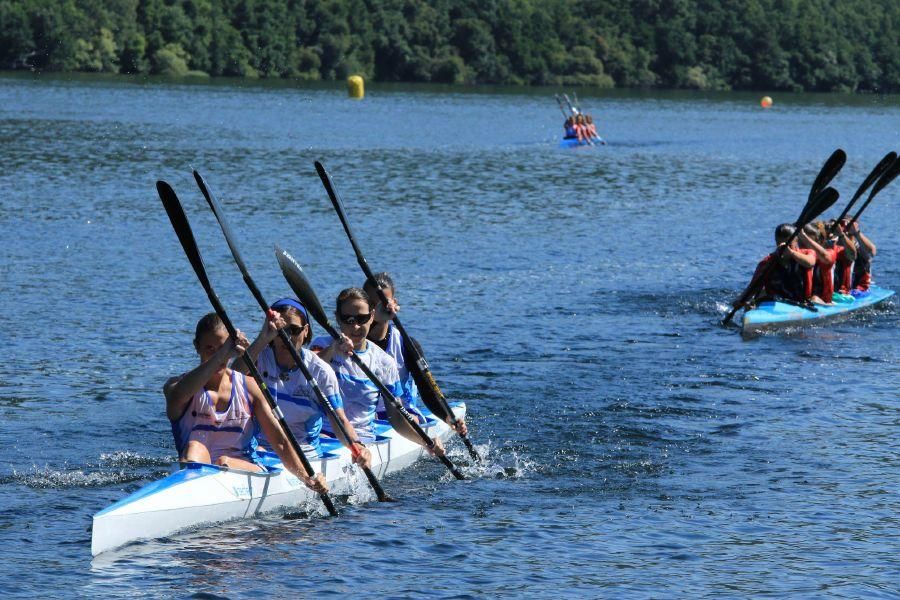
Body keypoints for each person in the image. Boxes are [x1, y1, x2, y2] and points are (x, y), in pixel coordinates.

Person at [163, 313, 327, 493]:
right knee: (194, 448)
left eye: (222, 348)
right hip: (198, 469)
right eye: (210, 348)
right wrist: (224, 351)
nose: (218, 355)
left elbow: (280, 442)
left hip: (246, 468)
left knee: (223, 461)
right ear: (197, 347)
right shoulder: (175, 388)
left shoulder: (249, 388)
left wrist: (306, 477)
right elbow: (178, 394)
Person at [235, 298, 372, 469]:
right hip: (259, 451)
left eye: (294, 330)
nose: (287, 337)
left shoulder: (320, 371)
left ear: (306, 331)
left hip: (304, 456)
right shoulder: (259, 357)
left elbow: (339, 420)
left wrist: (357, 446)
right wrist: (263, 337)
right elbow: (231, 377)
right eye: (281, 330)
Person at [311, 288, 444, 456]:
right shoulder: (322, 345)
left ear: (372, 316)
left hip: (361, 441)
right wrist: (333, 350)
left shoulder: (384, 362)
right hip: (321, 436)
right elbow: (306, 370)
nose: (356, 326)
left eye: (362, 318)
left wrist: (426, 441)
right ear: (337, 318)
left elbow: (396, 418)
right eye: (348, 319)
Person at [363, 272, 468, 437]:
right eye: (371, 304)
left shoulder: (406, 344)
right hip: (362, 415)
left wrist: (446, 416)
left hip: (402, 412)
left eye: (381, 303)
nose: (376, 309)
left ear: (393, 304)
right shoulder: (352, 341)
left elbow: (427, 390)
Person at [736, 223, 816, 308]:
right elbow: (753, 287)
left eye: (789, 245)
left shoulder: (808, 253)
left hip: (801, 304)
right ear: (776, 242)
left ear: (796, 241)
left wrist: (791, 253)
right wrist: (740, 301)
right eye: (780, 244)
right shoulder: (767, 262)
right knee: (752, 303)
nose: (784, 249)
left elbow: (810, 263)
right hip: (774, 303)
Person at [848, 220, 877, 292]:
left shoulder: (859, 247)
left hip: (859, 288)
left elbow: (872, 252)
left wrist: (856, 233)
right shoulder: (835, 242)